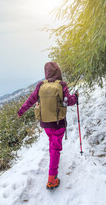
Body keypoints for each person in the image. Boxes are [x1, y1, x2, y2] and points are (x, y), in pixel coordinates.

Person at [17, 61, 78, 190]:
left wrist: (21, 111)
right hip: (58, 123)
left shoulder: (40, 85)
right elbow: (69, 101)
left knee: (52, 142)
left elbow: (31, 100)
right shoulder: (61, 85)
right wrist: (76, 97)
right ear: (58, 72)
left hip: (45, 123)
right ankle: (52, 179)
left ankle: (53, 161)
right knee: (55, 148)